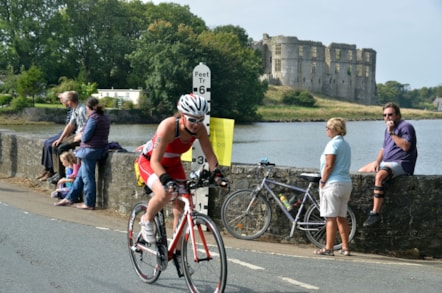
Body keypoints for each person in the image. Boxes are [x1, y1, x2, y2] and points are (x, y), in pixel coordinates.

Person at [136, 93, 226, 273]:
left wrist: (217, 173)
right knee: (164, 193)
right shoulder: (168, 126)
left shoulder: (199, 129)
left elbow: (209, 154)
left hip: (174, 163)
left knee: (183, 206)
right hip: (150, 162)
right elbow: (155, 161)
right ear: (182, 115)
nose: (197, 124)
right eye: (192, 119)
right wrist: (166, 180)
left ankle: (177, 254)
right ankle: (146, 220)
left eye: (201, 119)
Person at [359, 102, 417, 227]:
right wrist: (377, 162)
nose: (387, 118)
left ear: (398, 115)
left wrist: (392, 132)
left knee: (379, 176)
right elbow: (384, 149)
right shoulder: (388, 129)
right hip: (386, 162)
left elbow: (406, 146)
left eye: (390, 115)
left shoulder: (406, 126)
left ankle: (375, 213)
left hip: (401, 163)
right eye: (385, 115)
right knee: (360, 172)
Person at [54, 97, 110, 210]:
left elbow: (86, 136)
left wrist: (79, 136)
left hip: (90, 151)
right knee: (80, 176)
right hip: (99, 148)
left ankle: (89, 203)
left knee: (87, 178)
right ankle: (70, 198)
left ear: (87, 108)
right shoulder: (104, 117)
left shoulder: (93, 118)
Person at [314, 118, 352, 256]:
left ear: (335, 129)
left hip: (333, 184)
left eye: (328, 128)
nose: (326, 130)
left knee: (330, 218)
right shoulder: (346, 144)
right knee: (341, 217)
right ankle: (346, 247)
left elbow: (329, 165)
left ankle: (329, 248)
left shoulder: (332, 144)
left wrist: (323, 181)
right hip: (346, 183)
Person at [49, 91, 87, 184]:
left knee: (62, 147)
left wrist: (80, 135)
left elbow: (87, 126)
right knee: (56, 145)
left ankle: (61, 175)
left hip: (83, 137)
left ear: (69, 101)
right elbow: (70, 125)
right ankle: (57, 172)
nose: (63, 102)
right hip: (77, 134)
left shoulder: (82, 110)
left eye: (64, 101)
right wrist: (60, 139)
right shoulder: (75, 109)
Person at [36, 93, 73, 181]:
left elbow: (72, 126)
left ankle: (51, 171)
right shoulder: (70, 108)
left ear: (68, 100)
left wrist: (63, 138)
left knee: (51, 144)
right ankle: (47, 168)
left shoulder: (75, 108)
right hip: (66, 130)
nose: (61, 102)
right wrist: (63, 95)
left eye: (62, 100)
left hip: (71, 132)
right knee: (46, 142)